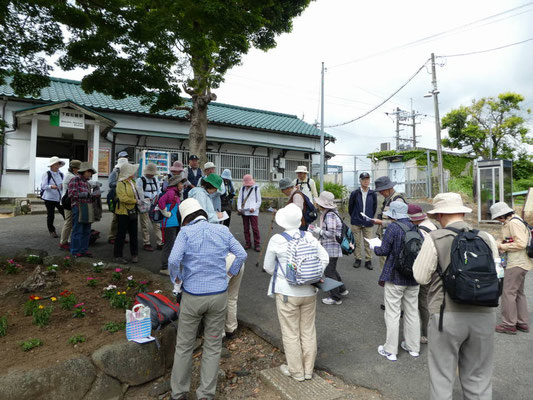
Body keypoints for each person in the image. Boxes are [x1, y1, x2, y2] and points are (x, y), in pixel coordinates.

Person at [413, 193, 499, 400]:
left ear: (440, 214)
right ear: (462, 212)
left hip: (446, 315)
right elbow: (497, 274)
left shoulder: (435, 238)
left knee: (442, 377)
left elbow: (420, 276)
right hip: (484, 315)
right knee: (478, 377)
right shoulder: (486, 238)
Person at [168, 198, 246, 400]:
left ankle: (179, 393)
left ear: (185, 218)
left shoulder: (185, 233)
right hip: (218, 296)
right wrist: (229, 275)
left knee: (184, 346)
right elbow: (241, 254)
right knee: (212, 346)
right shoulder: (222, 230)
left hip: (192, 297)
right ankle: (205, 394)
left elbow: (173, 259)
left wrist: (177, 279)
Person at [263, 203, 329, 381]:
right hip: (310, 291)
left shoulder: (277, 239)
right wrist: (312, 275)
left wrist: (289, 275)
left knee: (291, 332)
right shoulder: (309, 237)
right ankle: (308, 370)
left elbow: (268, 267)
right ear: (300, 220)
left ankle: (296, 372)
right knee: (308, 330)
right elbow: (325, 258)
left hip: (287, 293)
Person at [371, 201, 420, 361]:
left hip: (395, 276)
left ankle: (390, 350)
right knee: (412, 312)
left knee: (392, 313)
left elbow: (383, 250)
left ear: (392, 214)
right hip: (413, 276)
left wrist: (374, 247)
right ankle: (413, 348)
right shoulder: (415, 228)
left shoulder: (392, 228)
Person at [490, 201, 532, 334]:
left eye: (497, 218)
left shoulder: (513, 223)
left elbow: (521, 243)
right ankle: (522, 322)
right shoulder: (515, 220)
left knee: (508, 292)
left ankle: (508, 324)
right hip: (522, 262)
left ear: (501, 215)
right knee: (518, 293)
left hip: (516, 262)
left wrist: (501, 246)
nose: (497, 220)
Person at [310, 191, 348, 305]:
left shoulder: (329, 215)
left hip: (331, 247)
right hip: (332, 247)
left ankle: (335, 297)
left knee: (329, 271)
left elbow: (331, 233)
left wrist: (319, 231)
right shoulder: (331, 212)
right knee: (332, 270)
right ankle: (342, 289)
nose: (316, 204)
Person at [407, 204, 438, 344]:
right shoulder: (432, 225)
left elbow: (421, 253)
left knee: (424, 302)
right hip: (439, 269)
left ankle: (427, 333)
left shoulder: (420, 231)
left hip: (429, 269)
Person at [113, 163, 142, 264]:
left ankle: (134, 254)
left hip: (133, 211)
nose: (134, 172)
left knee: (134, 234)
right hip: (123, 212)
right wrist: (135, 201)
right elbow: (122, 198)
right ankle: (118, 255)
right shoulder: (121, 183)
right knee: (121, 234)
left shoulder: (132, 181)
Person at [348, 172, 377, 270]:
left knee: (368, 242)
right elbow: (350, 207)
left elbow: (374, 207)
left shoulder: (373, 194)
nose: (366, 181)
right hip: (356, 221)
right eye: (364, 179)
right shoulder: (355, 193)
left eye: (368, 179)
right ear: (360, 181)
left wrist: (370, 217)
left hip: (368, 222)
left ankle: (368, 260)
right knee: (356, 242)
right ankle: (358, 259)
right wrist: (354, 216)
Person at [158, 174, 187, 276]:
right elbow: (160, 202)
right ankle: (164, 267)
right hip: (169, 224)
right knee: (168, 246)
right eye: (181, 183)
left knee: (171, 245)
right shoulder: (171, 193)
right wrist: (166, 213)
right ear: (176, 184)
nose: (182, 185)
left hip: (173, 223)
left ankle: (168, 266)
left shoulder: (175, 193)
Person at [68, 162, 96, 258]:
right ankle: (75, 251)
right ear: (83, 171)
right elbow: (72, 194)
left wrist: (94, 196)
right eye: (88, 172)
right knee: (78, 230)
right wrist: (86, 195)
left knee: (86, 230)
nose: (90, 174)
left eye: (91, 172)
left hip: (87, 207)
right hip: (78, 207)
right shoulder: (75, 180)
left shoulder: (87, 183)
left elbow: (89, 197)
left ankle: (84, 250)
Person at [136, 163, 163, 252]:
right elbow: (137, 193)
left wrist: (158, 201)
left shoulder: (155, 179)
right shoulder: (140, 180)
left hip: (155, 205)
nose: (152, 175)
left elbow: (159, 191)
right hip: (144, 205)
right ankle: (146, 243)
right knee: (145, 225)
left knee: (157, 224)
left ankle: (160, 242)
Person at [41, 156, 65, 238]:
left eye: (58, 164)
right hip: (49, 198)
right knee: (51, 215)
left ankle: (70, 228)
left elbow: (64, 184)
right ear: (51, 165)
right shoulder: (47, 174)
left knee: (65, 213)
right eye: (55, 164)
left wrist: (63, 186)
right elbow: (43, 186)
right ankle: (52, 231)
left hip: (59, 198)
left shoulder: (61, 174)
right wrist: (52, 187)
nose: (57, 166)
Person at [59, 159, 81, 250]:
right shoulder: (71, 177)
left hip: (68, 200)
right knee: (68, 222)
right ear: (74, 169)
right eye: (78, 169)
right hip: (68, 201)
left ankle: (68, 241)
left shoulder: (72, 175)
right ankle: (63, 242)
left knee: (70, 222)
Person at [107, 157, 129, 244]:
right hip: (116, 197)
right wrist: (121, 184)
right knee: (116, 218)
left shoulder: (127, 173)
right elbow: (110, 184)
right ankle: (112, 236)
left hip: (124, 196)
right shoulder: (114, 172)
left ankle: (120, 236)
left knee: (124, 218)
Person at [237, 174, 262, 251]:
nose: (248, 186)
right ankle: (248, 243)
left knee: (255, 228)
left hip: (253, 212)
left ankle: (257, 244)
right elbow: (239, 199)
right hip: (245, 211)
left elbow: (259, 201)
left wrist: (254, 208)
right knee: (246, 228)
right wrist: (239, 208)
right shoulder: (242, 188)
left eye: (249, 184)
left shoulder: (256, 189)